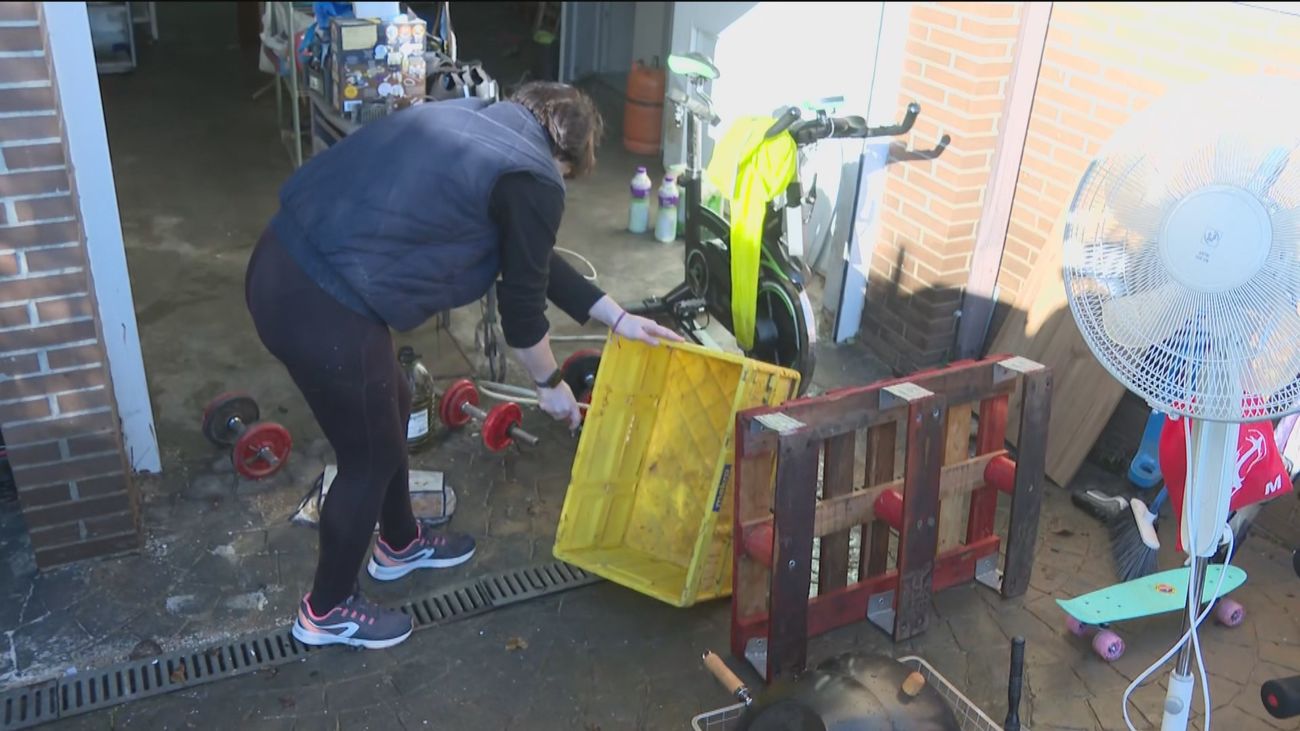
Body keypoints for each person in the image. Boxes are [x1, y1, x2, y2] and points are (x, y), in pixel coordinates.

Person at [244, 82, 680, 650]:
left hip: (285, 262)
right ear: (565, 161)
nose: (559, 192)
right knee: (368, 459)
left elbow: (530, 258)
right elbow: (521, 311)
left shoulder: (484, 126)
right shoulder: (533, 178)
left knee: (395, 402)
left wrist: (618, 318)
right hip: (320, 299)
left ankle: (398, 544)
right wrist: (549, 384)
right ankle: (326, 611)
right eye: (567, 179)